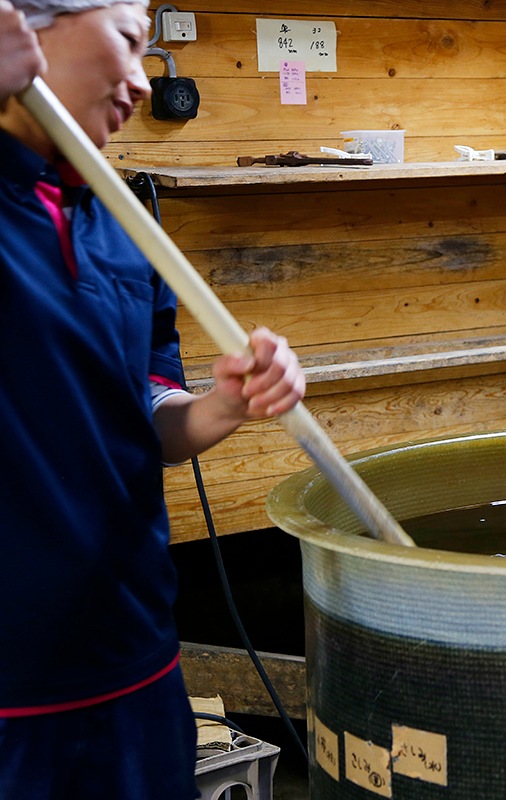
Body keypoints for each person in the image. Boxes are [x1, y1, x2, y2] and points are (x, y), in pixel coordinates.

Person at [0, 2, 306, 797]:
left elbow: (145, 408)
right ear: (29, 25)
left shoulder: (122, 228)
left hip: (133, 654)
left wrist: (221, 406)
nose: (142, 82)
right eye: (131, 41)